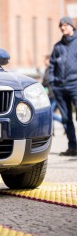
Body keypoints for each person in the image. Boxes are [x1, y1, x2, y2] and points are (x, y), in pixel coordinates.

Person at [48, 16, 77, 157]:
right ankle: (73, 147)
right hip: (59, 88)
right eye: (61, 26)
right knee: (66, 119)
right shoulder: (57, 46)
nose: (62, 27)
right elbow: (51, 66)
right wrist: (52, 83)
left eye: (65, 25)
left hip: (75, 85)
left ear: (72, 26)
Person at [42, 55, 64, 132]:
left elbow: (48, 81)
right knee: (51, 113)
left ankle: (63, 121)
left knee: (50, 113)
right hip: (49, 95)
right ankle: (52, 130)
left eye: (46, 60)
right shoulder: (47, 70)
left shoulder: (52, 69)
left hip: (54, 94)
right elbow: (44, 83)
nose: (44, 62)